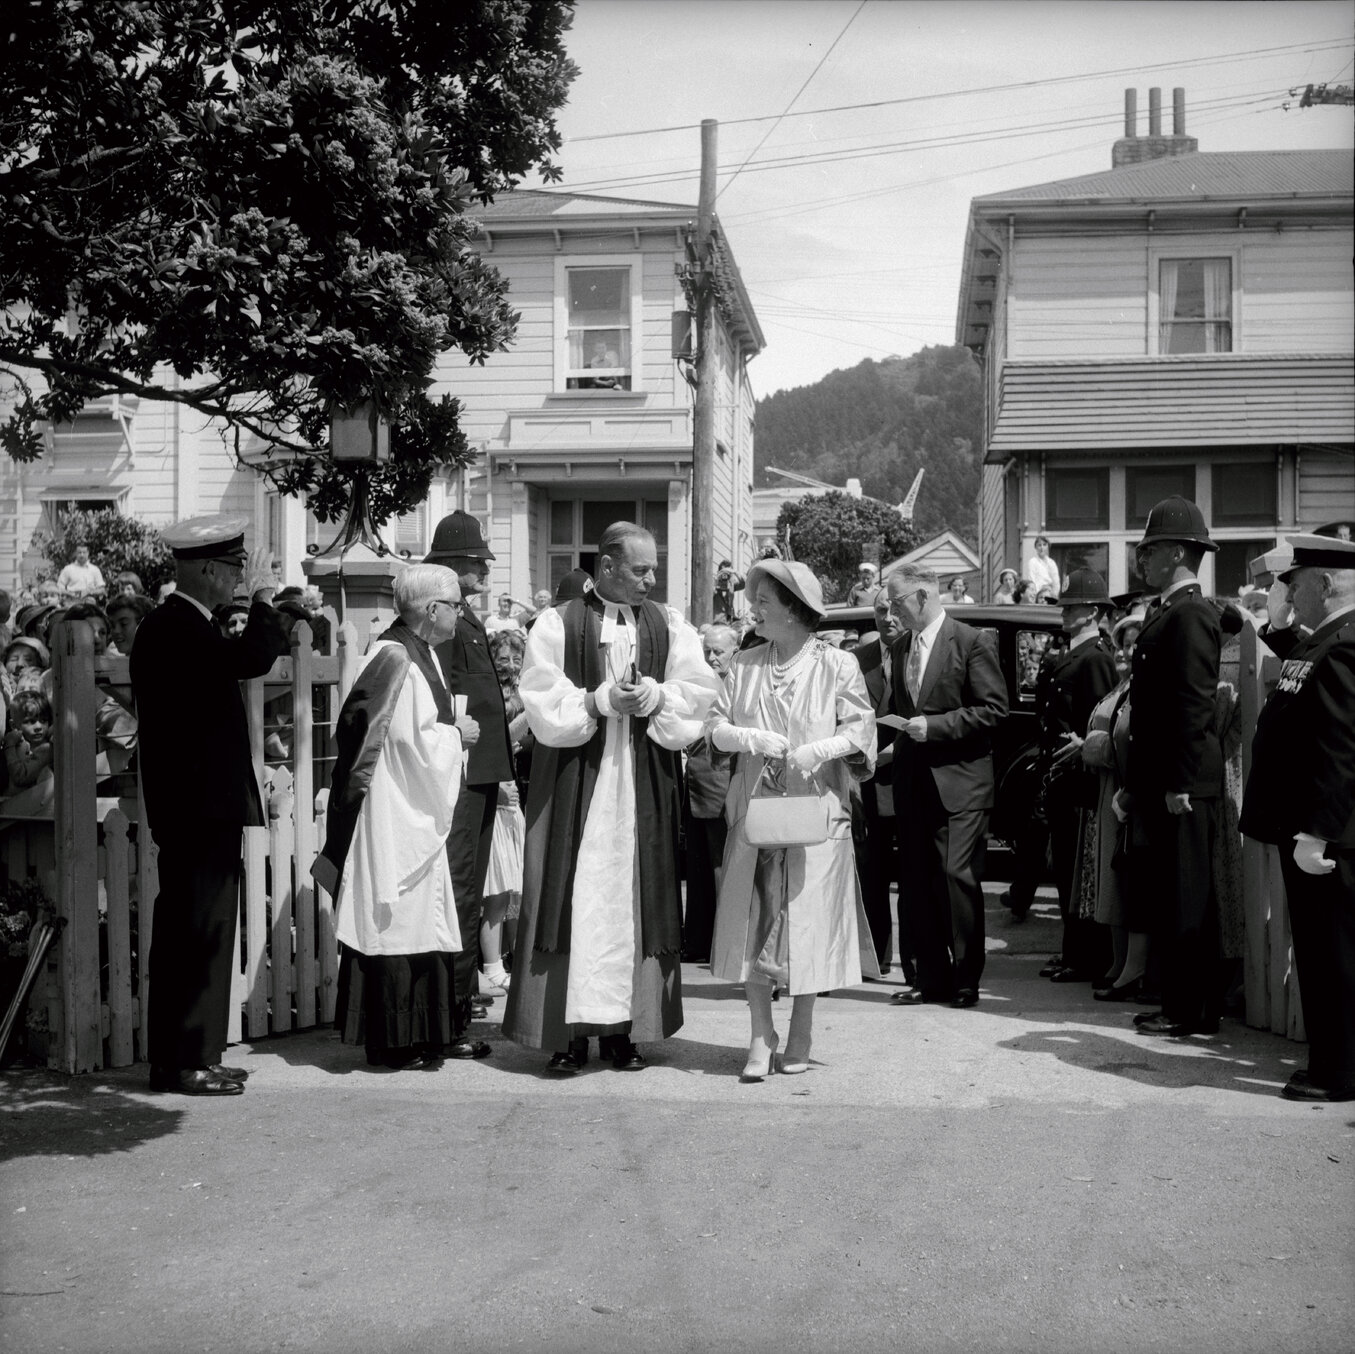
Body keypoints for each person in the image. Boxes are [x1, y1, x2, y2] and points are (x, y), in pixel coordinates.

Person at [504, 522, 718, 1073]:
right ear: (606, 567)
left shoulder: (669, 625)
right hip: (576, 781)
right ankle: (567, 1034)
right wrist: (599, 700)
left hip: (642, 783)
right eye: (640, 569)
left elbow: (696, 692)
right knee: (572, 897)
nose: (651, 579)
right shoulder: (558, 623)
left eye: (654, 569)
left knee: (631, 898)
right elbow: (541, 697)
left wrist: (654, 695)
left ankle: (624, 1031)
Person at [131, 515, 290, 1095]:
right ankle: (184, 1061)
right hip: (197, 808)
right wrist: (270, 601)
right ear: (204, 570)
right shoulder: (175, 628)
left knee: (200, 931)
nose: (236, 578)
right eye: (231, 569)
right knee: (196, 933)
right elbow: (247, 660)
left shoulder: (182, 625)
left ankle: (192, 1053)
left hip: (200, 807)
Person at [708, 559, 877, 1079]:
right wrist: (746, 737)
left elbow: (861, 728)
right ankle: (761, 1036)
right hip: (756, 812)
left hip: (817, 816)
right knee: (754, 921)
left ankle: (801, 1029)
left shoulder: (836, 664)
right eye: (754, 597)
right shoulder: (744, 663)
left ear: (794, 609)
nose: (754, 607)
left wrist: (819, 748)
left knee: (807, 926)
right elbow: (713, 726)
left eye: (765, 599)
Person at [317, 564, 486, 1069]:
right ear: (432, 610)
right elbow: (409, 741)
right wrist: (458, 735)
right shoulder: (395, 657)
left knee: (421, 925)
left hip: (409, 805)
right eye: (455, 604)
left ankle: (424, 1035)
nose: (461, 612)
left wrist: (446, 727)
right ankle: (391, 1043)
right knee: (395, 923)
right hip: (395, 812)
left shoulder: (418, 652)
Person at [1240, 534, 1355, 1101]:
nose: (1290, 592)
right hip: (1317, 830)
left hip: (1329, 837)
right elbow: (1295, 668)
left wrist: (1318, 831)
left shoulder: (1346, 647)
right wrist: (1278, 619)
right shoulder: (1328, 642)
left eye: (1297, 582)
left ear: (1326, 585)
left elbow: (1340, 749)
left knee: (1333, 954)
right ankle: (1334, 1064)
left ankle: (1339, 1073)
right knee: (1319, 950)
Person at [1122, 496, 1225, 1039]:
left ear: (1180, 553)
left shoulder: (1188, 615)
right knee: (1173, 896)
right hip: (1165, 780)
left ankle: (1191, 1010)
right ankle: (1184, 1003)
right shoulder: (1172, 611)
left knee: (1188, 900)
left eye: (1151, 550)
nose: (1142, 560)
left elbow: (1192, 704)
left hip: (1183, 783)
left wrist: (1180, 782)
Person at [886, 563, 1008, 1009]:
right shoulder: (901, 647)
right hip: (914, 784)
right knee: (918, 883)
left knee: (957, 878)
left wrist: (934, 726)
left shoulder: (972, 641)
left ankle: (965, 979)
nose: (892, 611)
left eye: (897, 601)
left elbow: (994, 710)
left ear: (922, 595)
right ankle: (931, 978)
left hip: (960, 785)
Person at [426, 512, 513, 1036]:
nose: (484, 571)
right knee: (459, 887)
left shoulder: (468, 620)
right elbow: (447, 695)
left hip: (481, 771)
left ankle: (462, 993)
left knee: (472, 887)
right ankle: (454, 1002)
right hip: (461, 770)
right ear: (452, 567)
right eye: (476, 563)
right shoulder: (447, 624)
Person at [1028, 569, 1119, 982]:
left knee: (1079, 869)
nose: (1066, 612)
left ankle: (1084, 956)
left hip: (1080, 777)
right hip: (1061, 775)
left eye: (1075, 607)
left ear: (1095, 612)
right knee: (1065, 869)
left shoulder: (1096, 657)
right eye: (1065, 606)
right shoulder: (1071, 654)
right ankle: (1073, 951)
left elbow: (1098, 721)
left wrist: (1082, 747)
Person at [1079, 600, 1152, 1001]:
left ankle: (1132, 968)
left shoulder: (1145, 686)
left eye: (1135, 641)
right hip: (1111, 790)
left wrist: (1093, 746)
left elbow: (1130, 741)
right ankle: (1118, 961)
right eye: (1123, 642)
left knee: (1126, 883)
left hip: (1128, 790)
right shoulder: (1122, 684)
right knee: (1113, 880)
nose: (1127, 650)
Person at [849, 587, 904, 979]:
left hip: (914, 779)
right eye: (880, 610)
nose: (888, 617)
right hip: (867, 784)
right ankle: (876, 957)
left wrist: (897, 752)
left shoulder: (922, 655)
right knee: (872, 875)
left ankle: (919, 964)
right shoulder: (857, 661)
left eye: (894, 609)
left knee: (918, 877)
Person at [681, 623, 738, 965]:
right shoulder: (698, 682)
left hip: (725, 783)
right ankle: (699, 941)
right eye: (707, 652)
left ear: (736, 649)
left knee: (723, 868)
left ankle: (725, 944)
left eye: (719, 651)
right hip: (696, 784)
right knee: (699, 868)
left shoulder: (740, 683)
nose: (712, 657)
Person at [479, 626, 532, 994]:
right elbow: (496, 740)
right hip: (499, 794)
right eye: (504, 659)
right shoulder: (492, 697)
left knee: (516, 888)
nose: (511, 666)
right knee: (497, 890)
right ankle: (492, 964)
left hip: (516, 791)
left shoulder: (524, 690)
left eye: (517, 659)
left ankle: (514, 957)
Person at [4, 689, 53, 789]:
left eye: (43, 720)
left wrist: (9, 747)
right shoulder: (21, 744)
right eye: (30, 721)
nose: (39, 726)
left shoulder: (46, 749)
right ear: (14, 725)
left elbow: (20, 777)